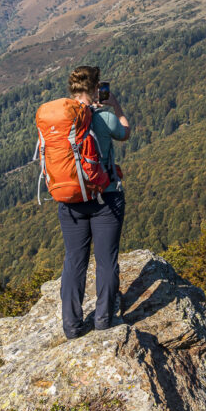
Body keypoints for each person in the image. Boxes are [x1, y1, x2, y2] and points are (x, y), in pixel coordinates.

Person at [58, 64, 130, 339]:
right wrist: (117, 106)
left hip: (71, 200)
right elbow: (125, 133)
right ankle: (103, 320)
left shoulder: (62, 120)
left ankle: (72, 327)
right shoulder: (102, 117)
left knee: (74, 261)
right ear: (95, 88)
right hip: (106, 197)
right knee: (106, 261)